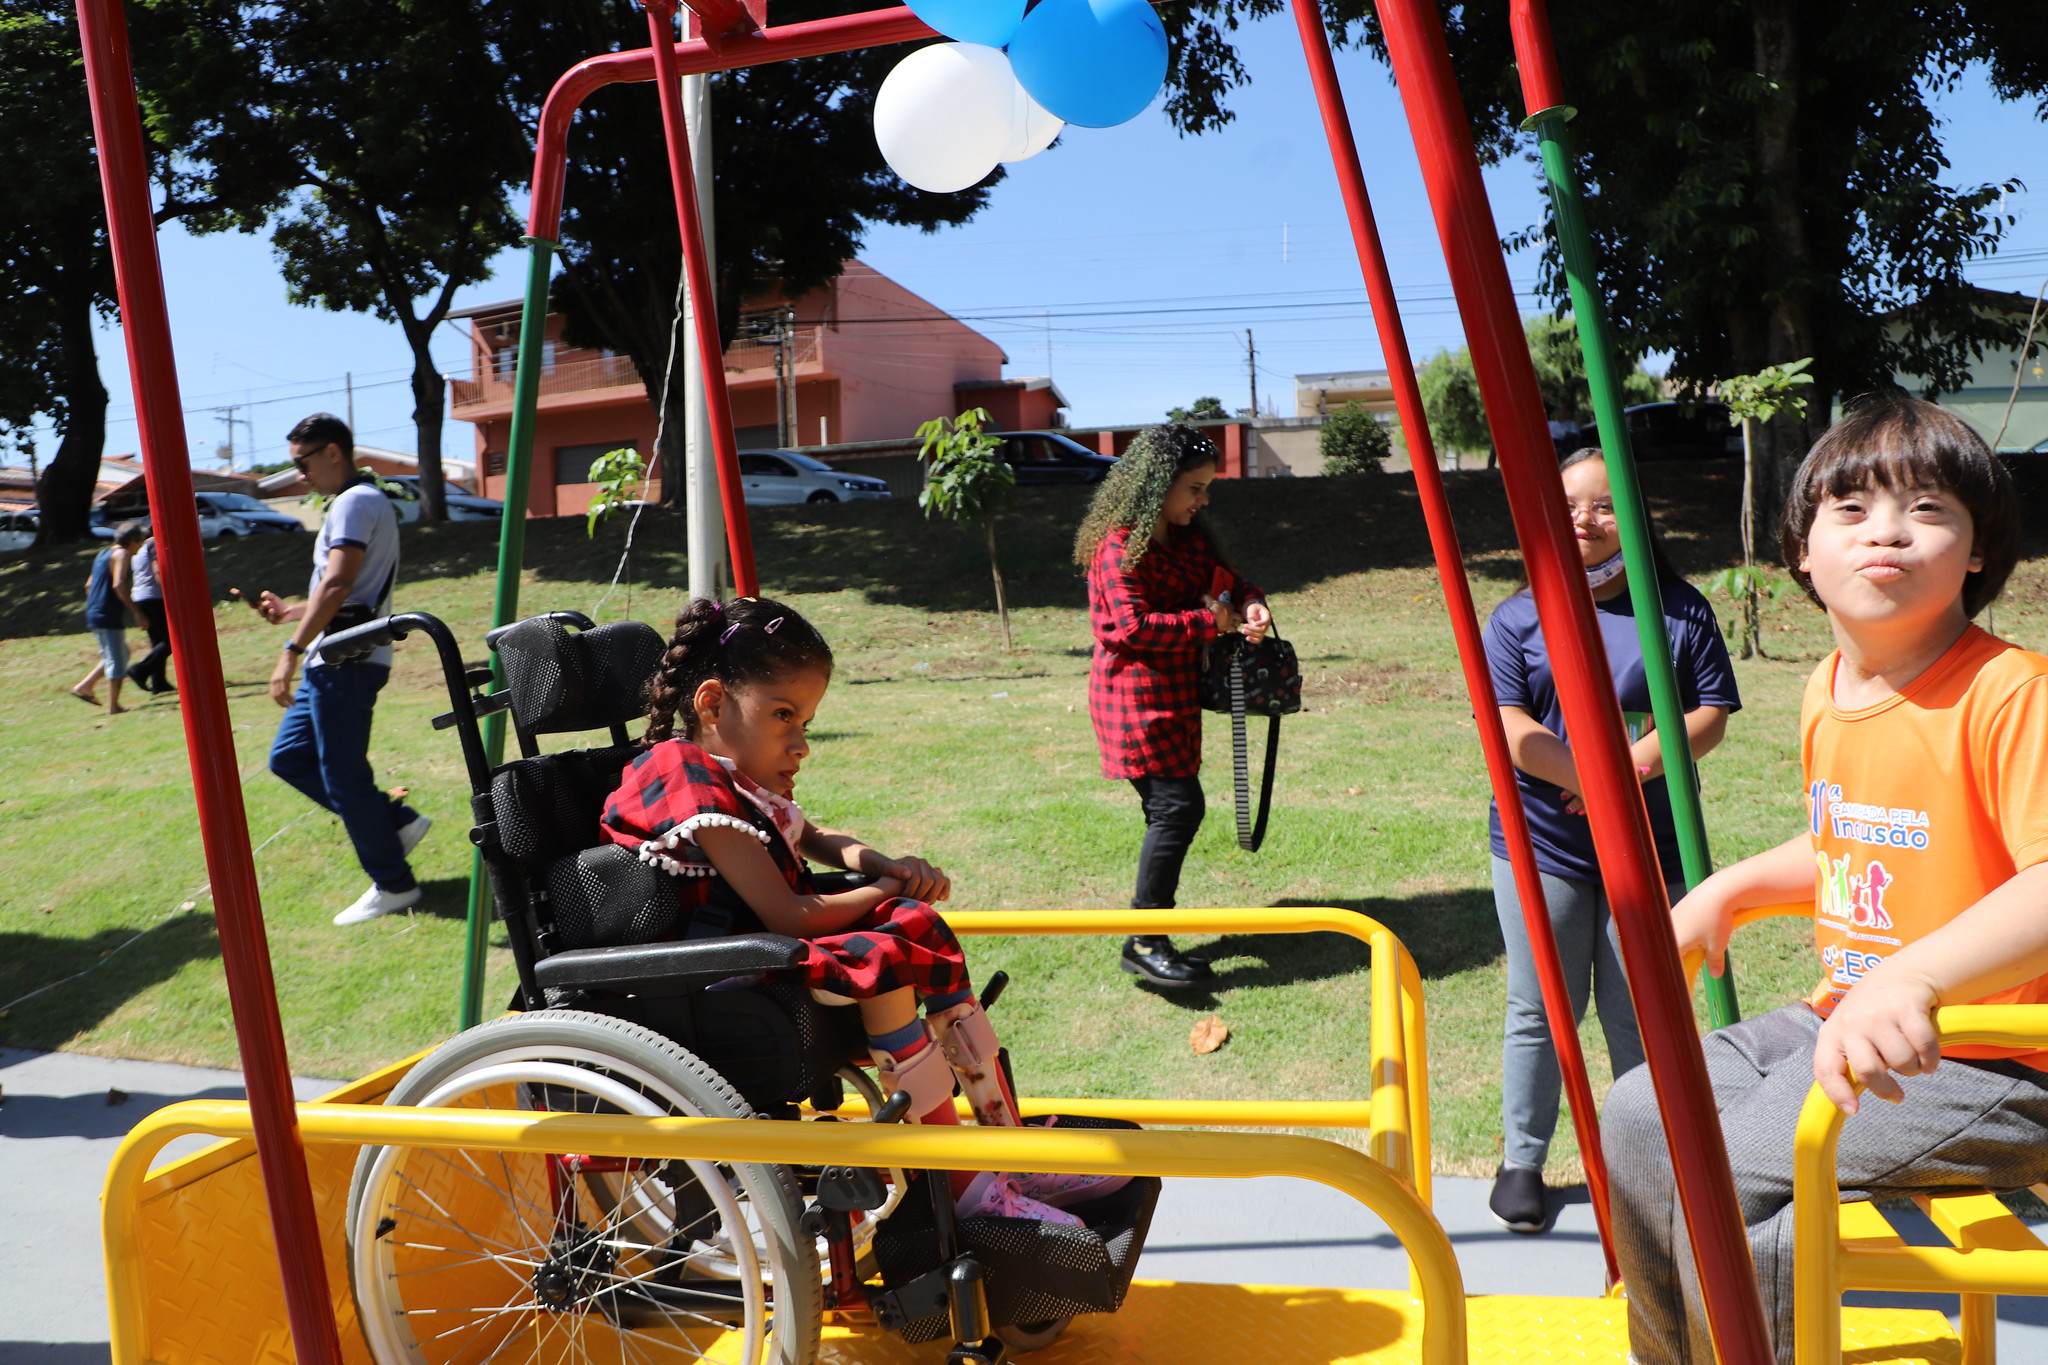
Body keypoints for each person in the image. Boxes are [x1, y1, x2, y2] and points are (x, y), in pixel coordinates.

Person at [1606, 398, 2048, 1365]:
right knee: (1638, 1113)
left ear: (1977, 552)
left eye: (1927, 508)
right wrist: (1732, 891)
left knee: (1743, 1168)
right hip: (1846, 1017)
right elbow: (1854, 844)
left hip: (1999, 1053)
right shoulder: (1828, 688)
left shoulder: (2010, 692)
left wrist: (1914, 978)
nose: (1886, 527)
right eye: (1850, 509)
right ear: (1802, 551)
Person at [601, 593, 1127, 1224]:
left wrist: (880, 865)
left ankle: (1001, 1141)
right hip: (714, 976)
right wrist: (887, 890)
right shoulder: (684, 775)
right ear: (712, 704)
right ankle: (965, 1186)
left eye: (806, 724)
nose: (800, 744)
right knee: (887, 949)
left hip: (754, 955)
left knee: (912, 928)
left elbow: (814, 837)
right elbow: (789, 917)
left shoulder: (727, 777)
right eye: (784, 716)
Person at [1482, 448, 1741, 1233]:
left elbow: (1708, 714)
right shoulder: (1519, 615)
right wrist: (1592, 781)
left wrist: (1629, 770)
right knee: (1541, 1005)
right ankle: (1522, 1161)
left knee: (1641, 1009)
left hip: (1651, 845)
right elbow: (1510, 725)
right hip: (1541, 842)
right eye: (1570, 505)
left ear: (1631, 515)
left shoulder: (1679, 609)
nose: (1586, 521)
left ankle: (1648, 1163)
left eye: (1603, 506)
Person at [1074, 424, 1273, 988]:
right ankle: (1144, 940)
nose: (1203, 500)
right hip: (1132, 701)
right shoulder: (1117, 545)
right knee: (1177, 809)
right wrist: (1207, 620)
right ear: (1157, 485)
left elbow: (1229, 580)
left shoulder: (1187, 538)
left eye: (1206, 489)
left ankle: (1150, 933)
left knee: (1168, 809)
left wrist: (1251, 604)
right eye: (1195, 488)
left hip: (1177, 697)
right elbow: (1131, 628)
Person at [257, 414, 431, 926]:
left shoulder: (356, 501)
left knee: (342, 772)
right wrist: (291, 612)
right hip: (332, 656)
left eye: (301, 462)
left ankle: (393, 884)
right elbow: (338, 591)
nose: (298, 474)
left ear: (332, 452)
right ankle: (392, 821)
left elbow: (338, 586)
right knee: (289, 758)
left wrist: (289, 650)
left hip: (346, 660)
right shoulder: (350, 503)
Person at [72, 521, 147, 716]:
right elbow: (119, 584)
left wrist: (96, 603)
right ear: (133, 540)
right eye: (140, 542)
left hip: (95, 610)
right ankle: (114, 707)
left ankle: (85, 686)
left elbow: (89, 585)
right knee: (117, 659)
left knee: (120, 653)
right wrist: (137, 612)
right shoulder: (121, 554)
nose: (141, 547)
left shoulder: (103, 553)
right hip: (107, 613)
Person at [125, 529, 174, 695]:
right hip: (154, 597)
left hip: (140, 596)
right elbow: (157, 569)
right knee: (172, 641)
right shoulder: (154, 543)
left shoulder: (139, 550)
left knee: (157, 641)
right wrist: (170, 594)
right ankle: (139, 670)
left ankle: (158, 683)